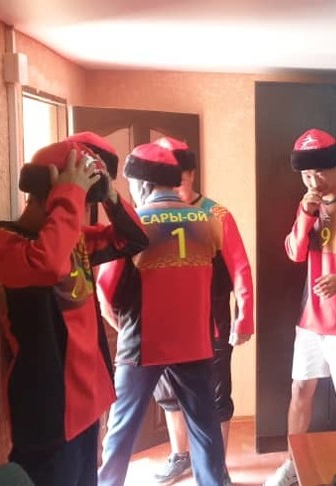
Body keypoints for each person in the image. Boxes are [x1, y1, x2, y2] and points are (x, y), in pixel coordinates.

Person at [0, 139, 147, 485]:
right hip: (48, 412)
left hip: (88, 404)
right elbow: (47, 265)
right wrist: (69, 196)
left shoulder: (73, 239)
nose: (80, 211)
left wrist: (110, 196)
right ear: (54, 196)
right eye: (78, 201)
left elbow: (133, 240)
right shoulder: (1, 246)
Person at [97, 143, 230, 486]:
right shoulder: (209, 221)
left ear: (142, 184)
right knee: (205, 429)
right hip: (195, 343)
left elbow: (106, 292)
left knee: (121, 429)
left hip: (143, 343)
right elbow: (219, 284)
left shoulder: (134, 224)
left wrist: (124, 329)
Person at [265, 129, 336, 486]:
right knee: (300, 390)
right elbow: (294, 251)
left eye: (319, 172)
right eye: (306, 175)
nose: (313, 181)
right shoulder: (308, 206)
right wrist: (305, 213)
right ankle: (292, 465)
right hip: (310, 320)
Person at [145, 136, 255, 483]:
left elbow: (240, 269)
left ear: (191, 173)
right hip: (165, 325)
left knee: (216, 396)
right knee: (169, 396)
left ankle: (216, 465)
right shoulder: (148, 215)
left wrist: (245, 315)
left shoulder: (216, 215)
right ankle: (180, 456)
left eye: (177, 174)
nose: (171, 182)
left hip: (211, 324)